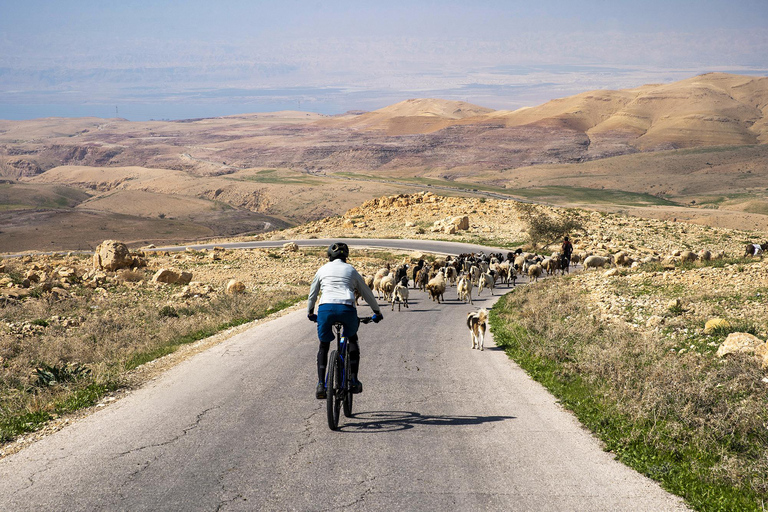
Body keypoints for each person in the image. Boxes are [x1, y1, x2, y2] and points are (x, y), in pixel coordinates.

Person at [308, 242, 383, 399]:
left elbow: (313, 293)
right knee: (352, 338)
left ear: (329, 256)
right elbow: (366, 292)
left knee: (323, 345)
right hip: (347, 309)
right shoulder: (351, 270)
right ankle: (354, 380)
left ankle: (321, 384)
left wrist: (310, 312)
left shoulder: (322, 270)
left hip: (325, 309)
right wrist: (376, 311)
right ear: (346, 257)